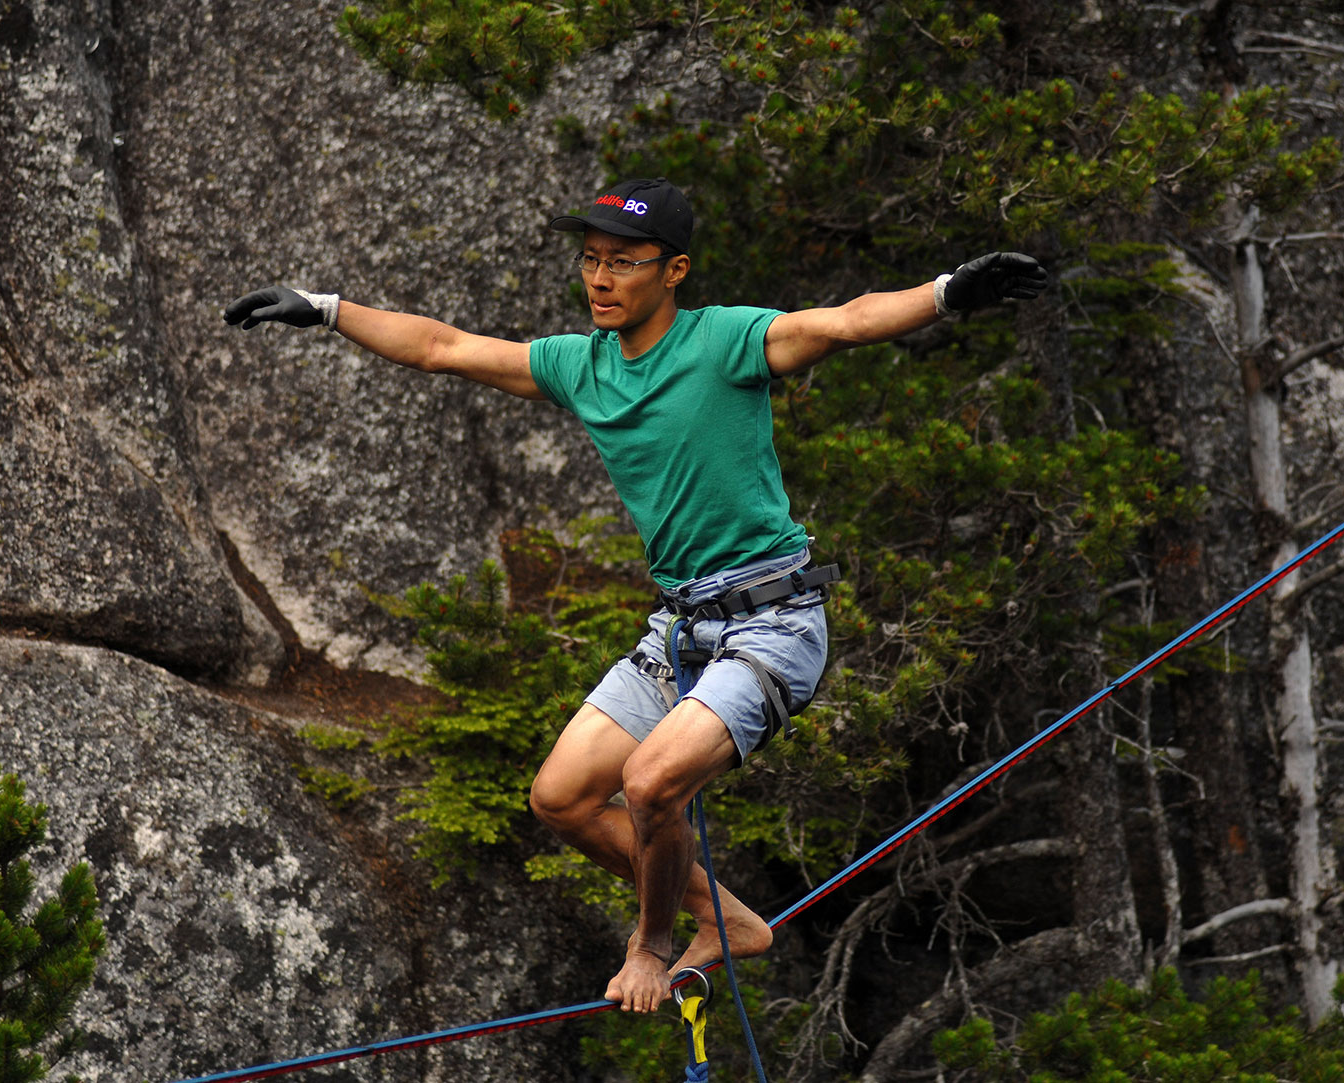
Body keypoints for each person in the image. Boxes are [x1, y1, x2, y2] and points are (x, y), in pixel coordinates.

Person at [224, 177, 1049, 1014]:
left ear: (674, 270)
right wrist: (325, 307)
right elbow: (442, 346)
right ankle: (727, 921)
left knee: (651, 784)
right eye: (590, 260)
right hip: (684, 629)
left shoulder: (726, 342)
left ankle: (653, 944)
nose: (600, 278)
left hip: (774, 623)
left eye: (623, 262)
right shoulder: (581, 366)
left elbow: (838, 323)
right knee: (561, 798)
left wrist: (948, 293)